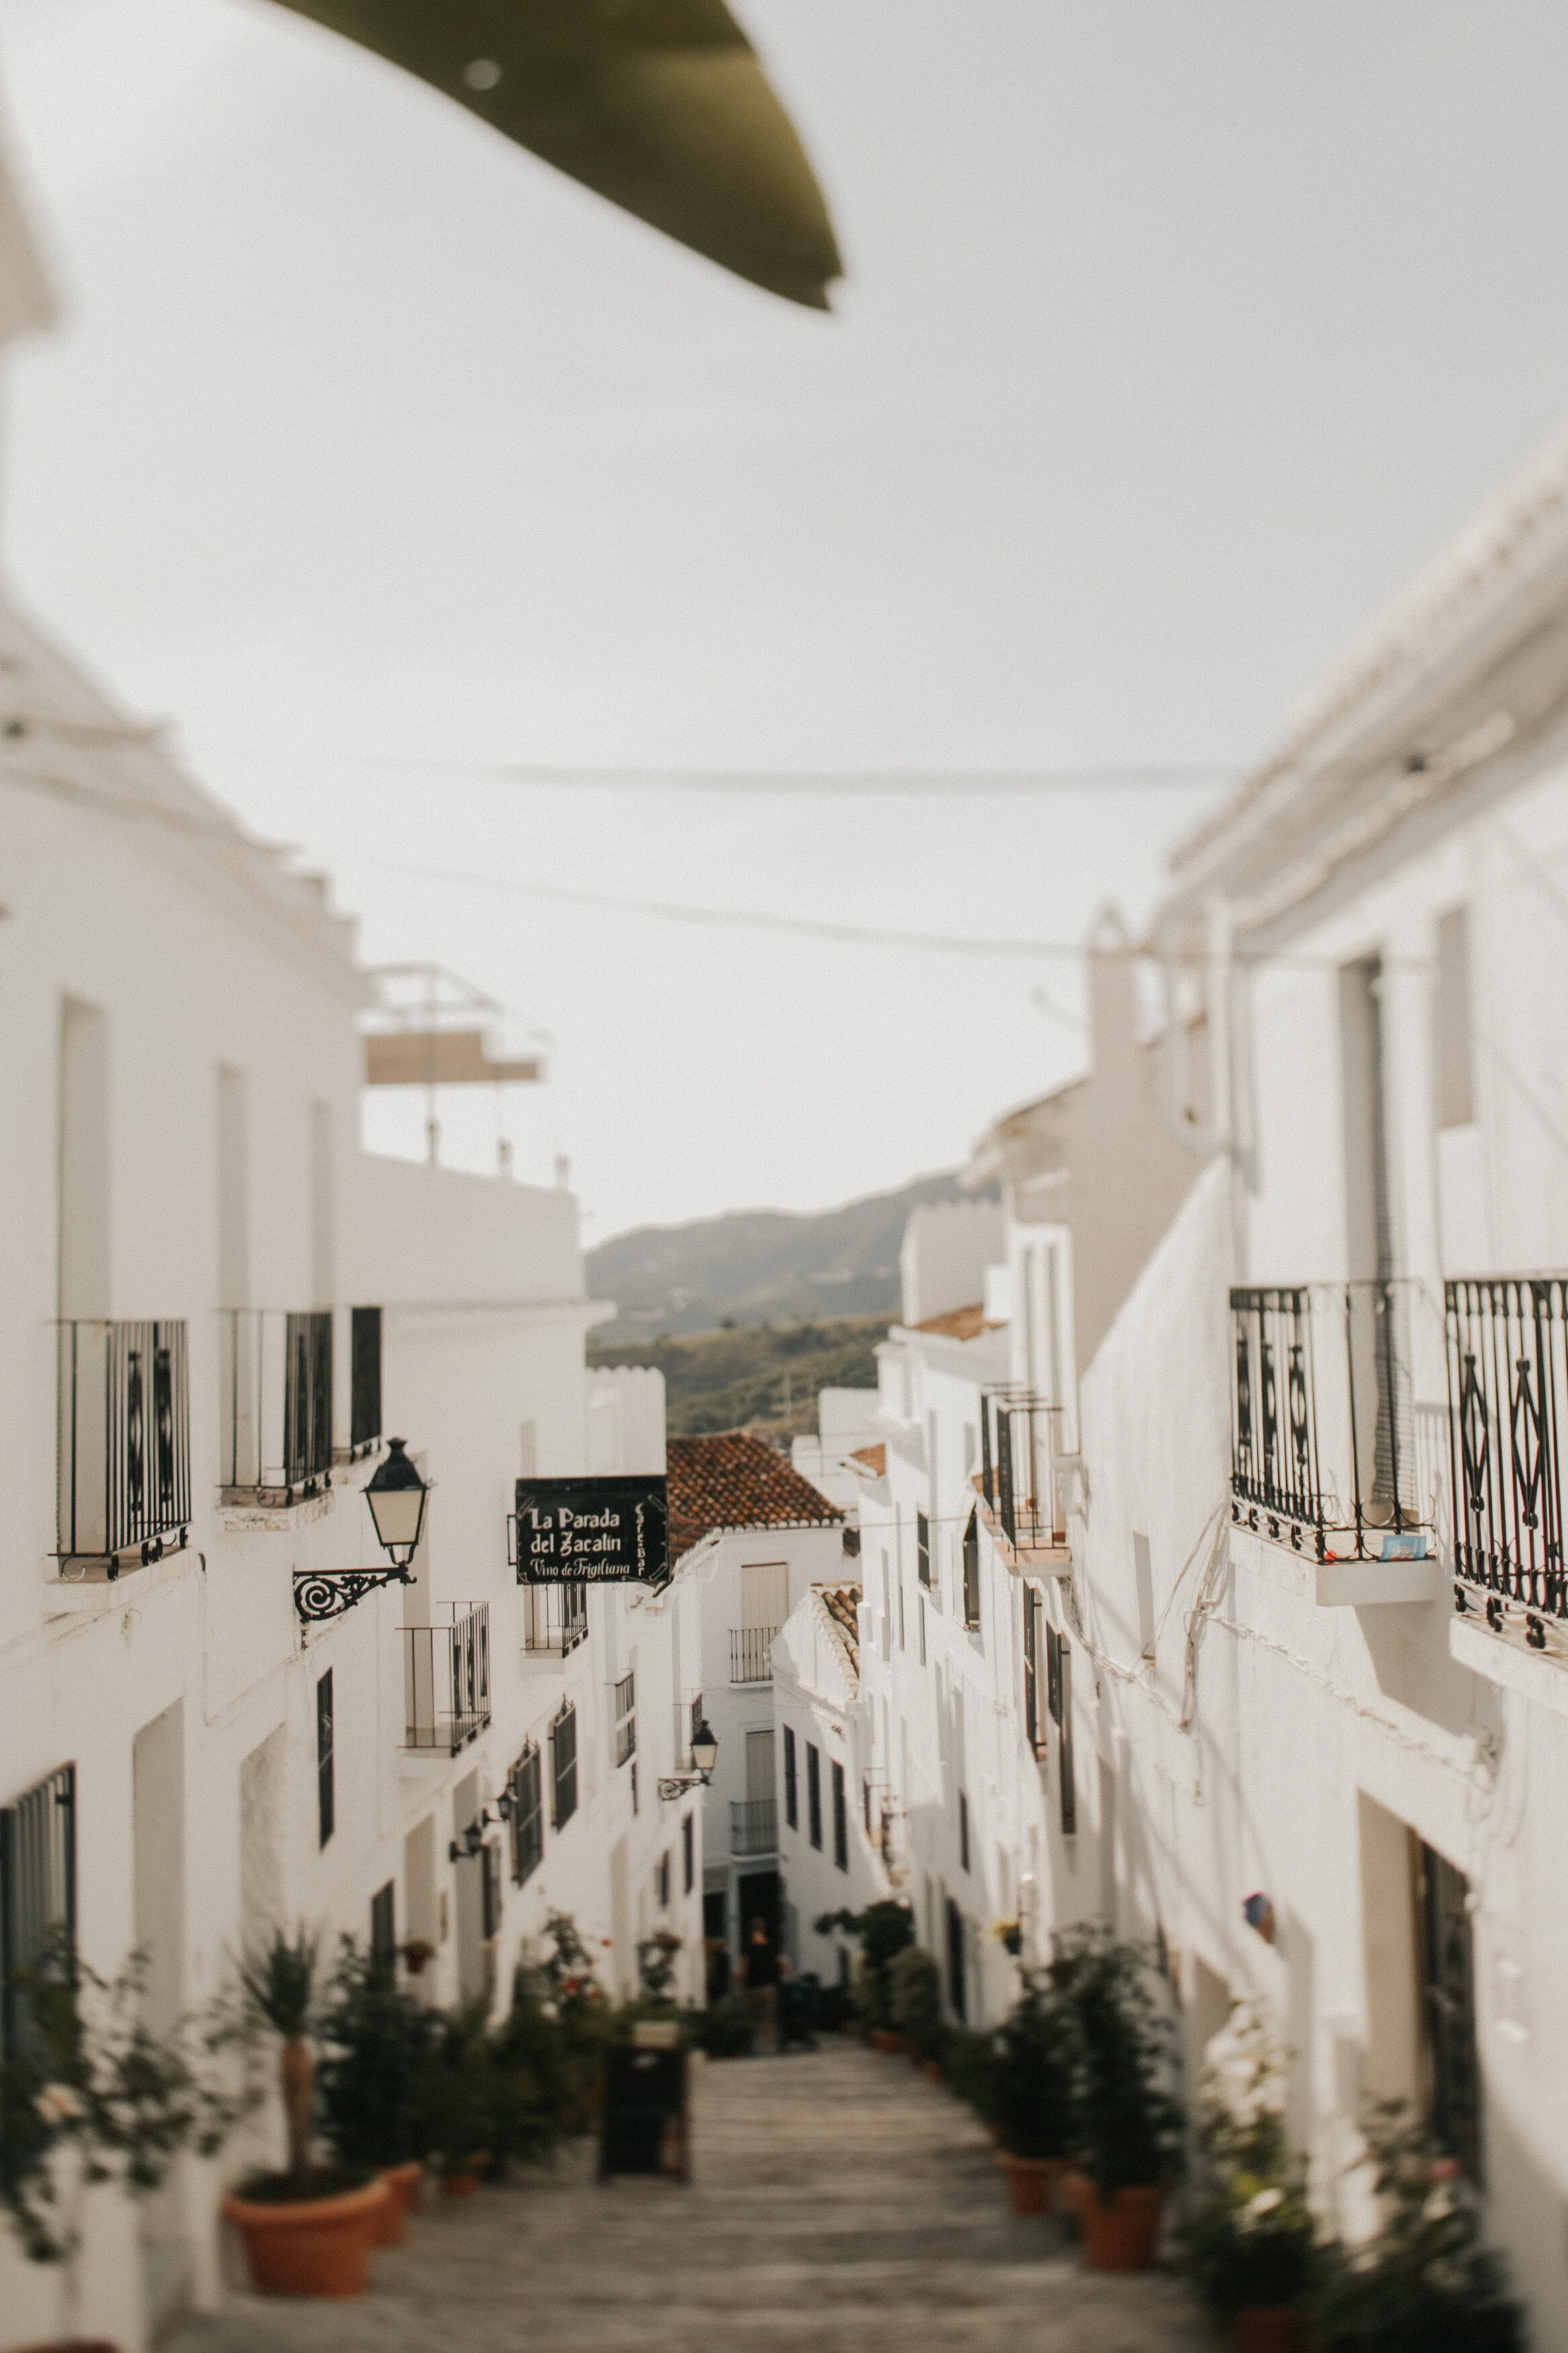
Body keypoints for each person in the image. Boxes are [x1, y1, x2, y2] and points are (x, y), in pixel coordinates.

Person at [738, 1918, 779, 2053]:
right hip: (769, 1987)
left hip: (752, 1987)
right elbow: (781, 1963)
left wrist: (741, 1984)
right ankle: (766, 2046)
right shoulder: (771, 1945)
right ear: (764, 1930)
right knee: (767, 2018)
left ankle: (753, 2046)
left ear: (751, 1930)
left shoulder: (748, 1947)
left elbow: (745, 1969)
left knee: (751, 2019)